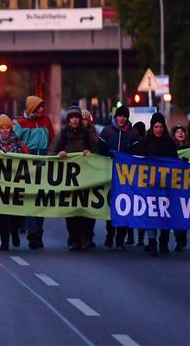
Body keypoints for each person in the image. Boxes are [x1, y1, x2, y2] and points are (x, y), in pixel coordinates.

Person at [49, 105, 96, 251]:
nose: (74, 120)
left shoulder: (88, 133)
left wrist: (91, 153)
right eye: (72, 118)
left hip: (87, 178)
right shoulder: (62, 134)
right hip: (68, 179)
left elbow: (99, 152)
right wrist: (59, 154)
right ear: (68, 120)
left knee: (87, 210)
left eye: (77, 117)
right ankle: (75, 238)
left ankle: (86, 238)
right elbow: (51, 152)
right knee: (71, 211)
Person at [97, 105, 143, 249]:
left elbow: (138, 154)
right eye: (119, 116)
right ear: (115, 117)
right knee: (111, 208)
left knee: (123, 208)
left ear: (127, 117)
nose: (121, 118)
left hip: (126, 177)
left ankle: (120, 240)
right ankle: (109, 236)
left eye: (124, 116)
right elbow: (99, 151)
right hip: (109, 175)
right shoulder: (107, 132)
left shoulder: (133, 134)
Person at [13, 95, 54, 249]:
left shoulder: (46, 121)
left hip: (43, 162)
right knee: (30, 198)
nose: (42, 109)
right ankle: (33, 232)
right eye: (39, 107)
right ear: (32, 108)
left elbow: (53, 139)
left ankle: (38, 232)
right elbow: (14, 141)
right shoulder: (21, 123)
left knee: (41, 198)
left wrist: (54, 154)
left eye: (42, 106)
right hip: (27, 164)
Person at [138, 112, 180, 256]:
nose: (159, 129)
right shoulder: (146, 141)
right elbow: (139, 161)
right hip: (150, 186)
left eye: (161, 126)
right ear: (152, 127)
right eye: (156, 126)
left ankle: (163, 242)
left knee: (165, 214)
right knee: (151, 215)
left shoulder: (169, 143)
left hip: (166, 186)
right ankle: (152, 242)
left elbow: (175, 162)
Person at [0, 114, 28, 251]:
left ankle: (14, 232)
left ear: (11, 129)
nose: (5, 130)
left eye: (7, 127)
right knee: (2, 213)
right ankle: (4, 240)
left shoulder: (19, 144)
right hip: (0, 185)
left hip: (16, 185)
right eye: (2, 128)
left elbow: (29, 161)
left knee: (16, 213)